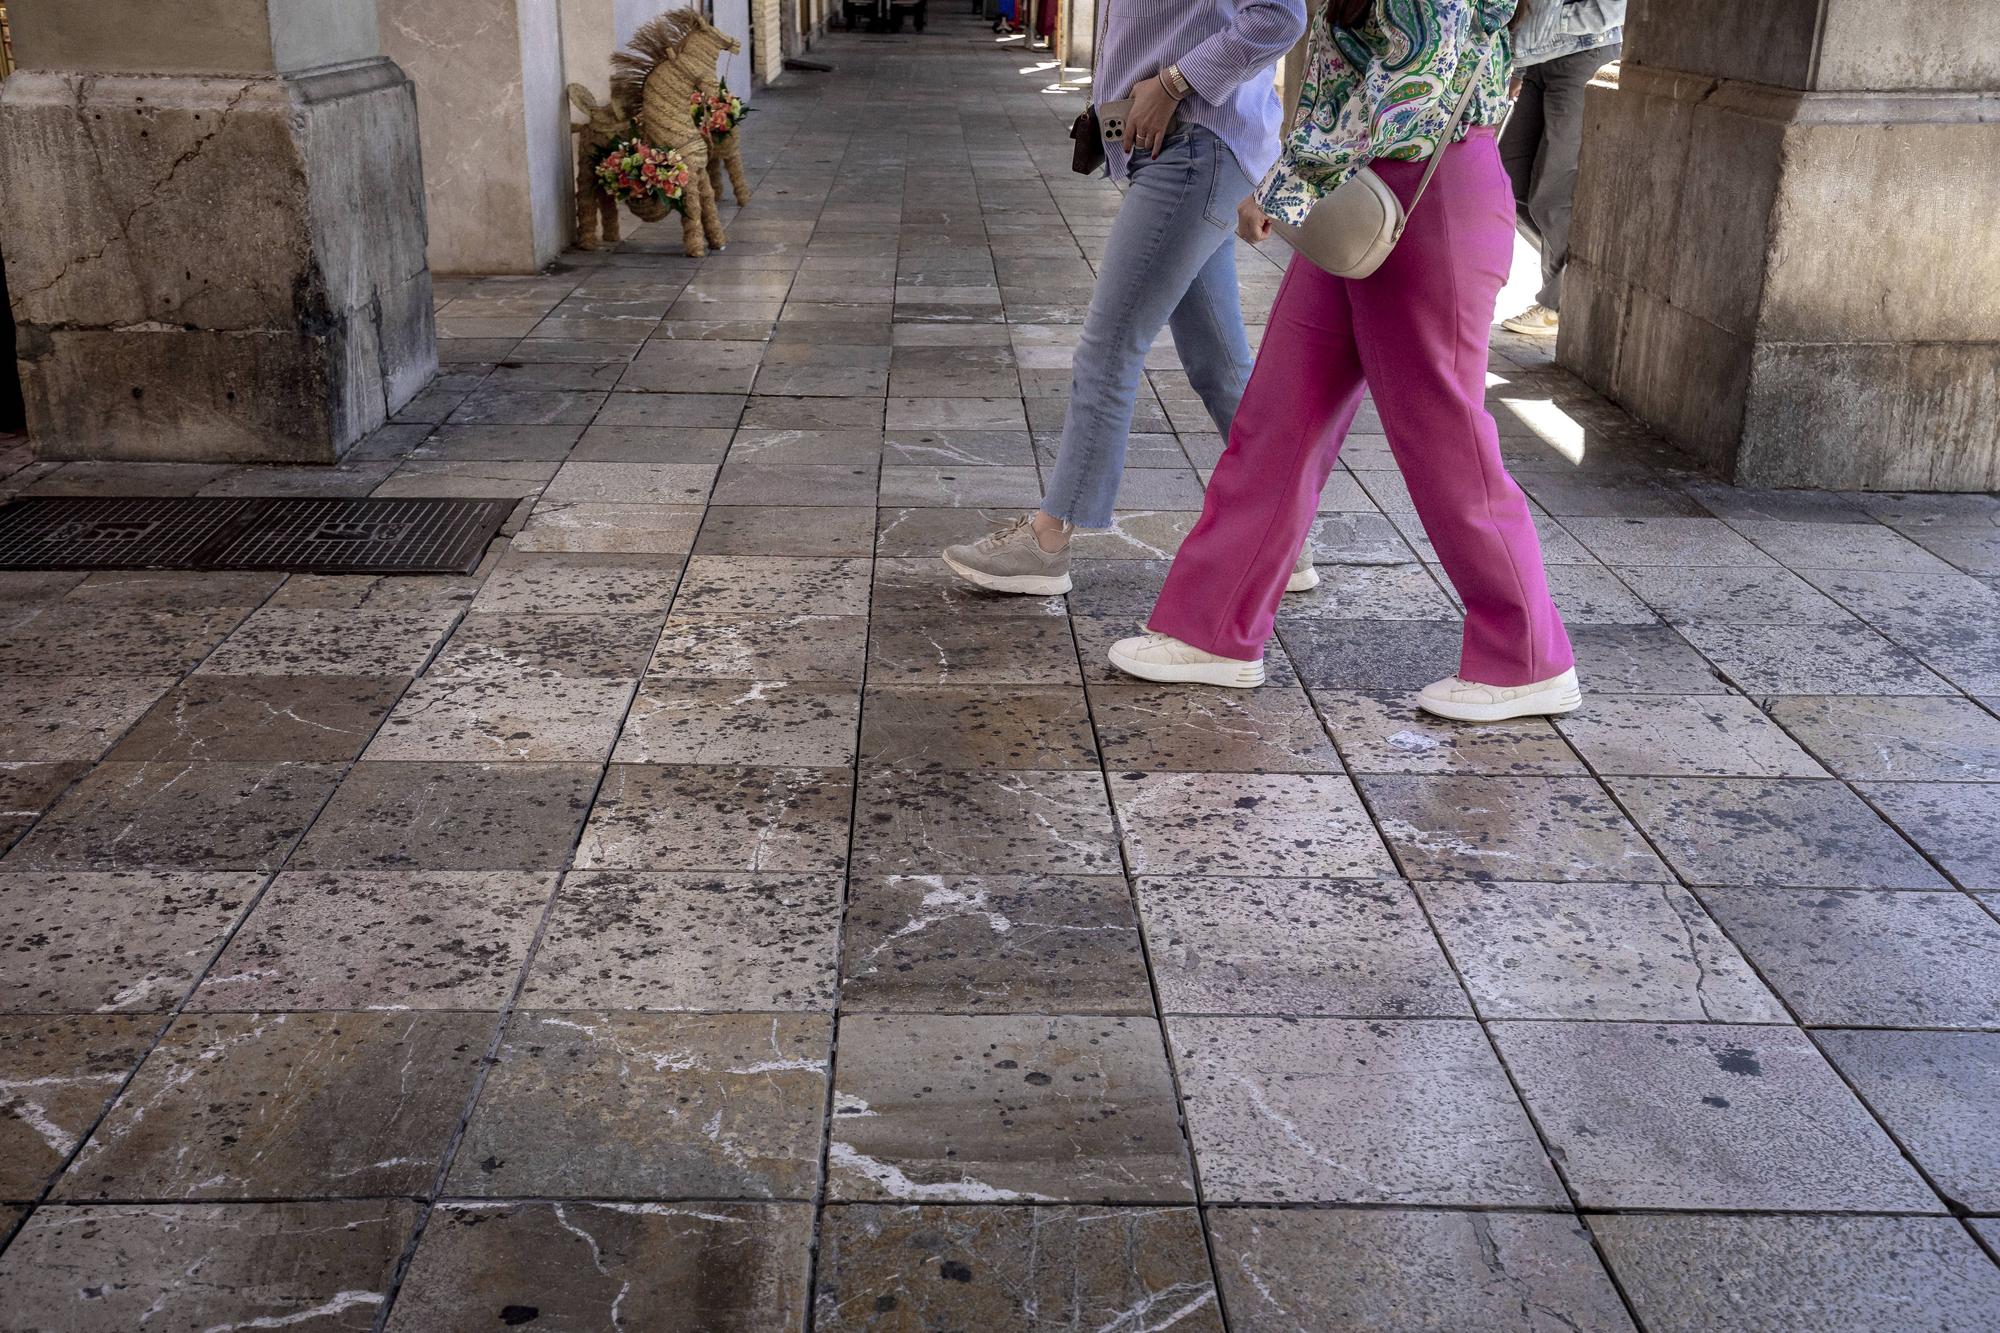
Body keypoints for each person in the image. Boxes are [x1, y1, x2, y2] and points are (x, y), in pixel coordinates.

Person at [1109, 0, 1581, 723]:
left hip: (1424, 191)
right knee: (1281, 412)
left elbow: (1419, 77)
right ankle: (1212, 628)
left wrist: (1292, 177)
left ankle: (1527, 657)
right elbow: (1337, 73)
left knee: (1442, 436)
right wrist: (1295, 175)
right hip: (1364, 189)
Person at [943, 0, 1310, 598]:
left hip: (1194, 149)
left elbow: (1279, 16)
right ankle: (1286, 538)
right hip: (1180, 151)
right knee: (1218, 364)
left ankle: (1047, 541)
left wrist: (1172, 83)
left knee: (1109, 347)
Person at [1497, 0, 1624, 335]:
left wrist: (1557, 21)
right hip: (1536, 58)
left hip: (1587, 51)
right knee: (1507, 180)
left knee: (1551, 195)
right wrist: (1520, 64)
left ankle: (1560, 303)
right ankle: (1581, 273)